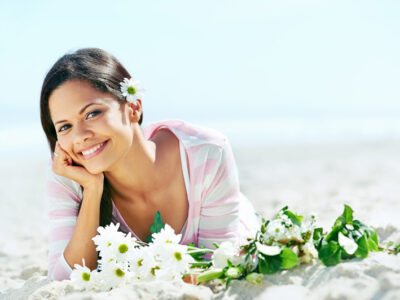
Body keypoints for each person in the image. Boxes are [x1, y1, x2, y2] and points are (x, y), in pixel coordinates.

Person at [40, 48, 260, 281]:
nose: (80, 136)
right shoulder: (70, 177)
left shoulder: (207, 153)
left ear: (133, 107)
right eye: (65, 127)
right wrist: (93, 190)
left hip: (233, 218)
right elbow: (64, 280)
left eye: (92, 113)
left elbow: (217, 264)